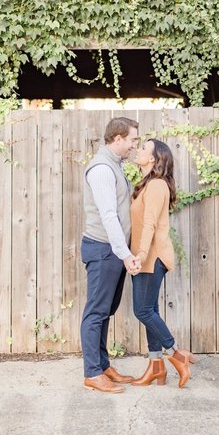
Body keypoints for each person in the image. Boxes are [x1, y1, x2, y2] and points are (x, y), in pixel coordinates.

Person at [80, 117, 143, 394]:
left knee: (106, 310)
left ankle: (103, 366)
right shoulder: (102, 169)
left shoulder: (115, 165)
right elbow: (108, 216)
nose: (134, 145)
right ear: (117, 139)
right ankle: (92, 373)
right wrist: (125, 254)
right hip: (103, 249)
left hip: (112, 250)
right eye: (132, 140)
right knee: (96, 311)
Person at [129, 138, 195, 388]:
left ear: (154, 159)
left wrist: (141, 254)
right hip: (146, 256)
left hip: (151, 257)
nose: (138, 150)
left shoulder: (157, 185)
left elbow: (150, 224)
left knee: (143, 311)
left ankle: (177, 355)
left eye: (144, 148)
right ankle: (156, 367)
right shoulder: (148, 185)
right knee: (150, 311)